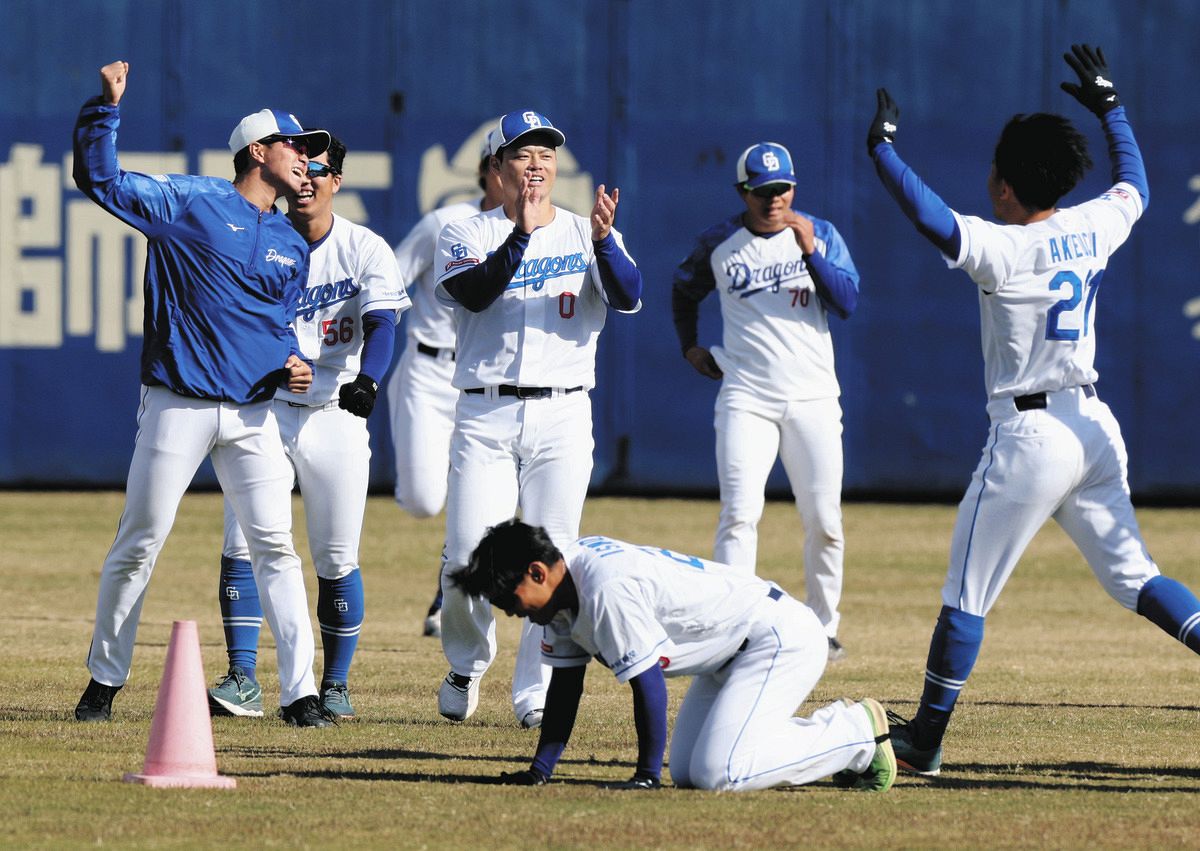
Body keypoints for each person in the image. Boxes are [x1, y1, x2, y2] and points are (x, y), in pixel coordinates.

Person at [868, 44, 1200, 775]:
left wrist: (882, 152)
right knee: (1137, 577)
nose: (988, 178)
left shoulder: (1005, 246)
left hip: (1031, 433)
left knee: (967, 590)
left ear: (1009, 188)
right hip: (1092, 425)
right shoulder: (1091, 226)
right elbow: (1136, 183)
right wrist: (1112, 108)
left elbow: (932, 219)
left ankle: (924, 737)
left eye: (995, 170)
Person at [71, 61, 330, 725]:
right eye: (294, 145)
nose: (306, 157)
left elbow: (274, 330)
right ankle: (103, 681)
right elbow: (101, 181)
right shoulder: (192, 203)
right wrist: (107, 108)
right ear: (256, 152)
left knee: (276, 547)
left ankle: (300, 694)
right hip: (178, 403)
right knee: (140, 540)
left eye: (308, 148)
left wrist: (290, 363)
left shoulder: (289, 242)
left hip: (252, 414)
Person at [433, 110, 643, 728]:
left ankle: (536, 695)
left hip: (563, 411)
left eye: (546, 154)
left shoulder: (587, 231)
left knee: (550, 559)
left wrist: (605, 243)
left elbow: (629, 295)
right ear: (498, 168)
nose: (536, 164)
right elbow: (472, 293)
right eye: (523, 154)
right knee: (466, 554)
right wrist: (519, 236)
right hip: (485, 410)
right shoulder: (466, 232)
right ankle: (467, 663)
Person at [449, 519, 895, 791]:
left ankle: (855, 733)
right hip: (730, 656)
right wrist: (540, 770)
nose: (509, 612)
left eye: (509, 598)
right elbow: (566, 687)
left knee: (724, 773)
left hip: (778, 638)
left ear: (537, 571)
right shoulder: (562, 597)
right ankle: (816, 740)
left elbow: (649, 684)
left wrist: (646, 775)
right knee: (690, 772)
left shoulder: (604, 589)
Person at [208, 136, 411, 722]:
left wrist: (369, 382)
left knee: (335, 553)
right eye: (300, 166)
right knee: (243, 539)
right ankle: (242, 676)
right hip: (263, 409)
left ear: (337, 182)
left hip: (333, 411)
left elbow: (383, 324)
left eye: (320, 170)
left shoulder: (362, 246)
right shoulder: (250, 239)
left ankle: (337, 683)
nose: (307, 177)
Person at [672, 142, 860, 663]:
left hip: (814, 397)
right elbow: (683, 288)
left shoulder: (819, 234)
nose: (773, 199)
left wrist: (811, 253)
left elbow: (846, 302)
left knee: (824, 520)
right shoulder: (722, 242)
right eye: (762, 191)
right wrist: (689, 344)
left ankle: (824, 627)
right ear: (743, 192)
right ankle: (735, 629)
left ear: (793, 188)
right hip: (746, 395)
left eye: (781, 189)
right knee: (739, 514)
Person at [386, 130, 506, 639]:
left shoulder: (541, 232)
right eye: (500, 165)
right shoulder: (445, 222)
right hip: (428, 368)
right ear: (484, 172)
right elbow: (388, 278)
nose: (510, 175)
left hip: (485, 376)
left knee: (471, 497)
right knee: (421, 500)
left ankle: (446, 591)